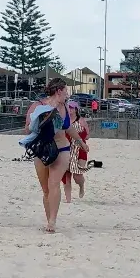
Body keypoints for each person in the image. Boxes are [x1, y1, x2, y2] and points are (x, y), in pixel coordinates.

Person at [25, 78, 88, 233]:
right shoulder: (38, 106)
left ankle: (53, 220)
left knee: (54, 183)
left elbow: (68, 128)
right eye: (66, 91)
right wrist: (41, 123)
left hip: (62, 148)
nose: (67, 94)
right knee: (46, 189)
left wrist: (80, 142)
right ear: (59, 90)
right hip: (42, 149)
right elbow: (27, 128)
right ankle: (49, 220)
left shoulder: (65, 108)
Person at [62, 101, 90, 203]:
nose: (70, 110)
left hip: (80, 150)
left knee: (77, 175)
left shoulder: (81, 121)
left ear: (76, 109)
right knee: (66, 175)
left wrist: (80, 139)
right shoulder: (64, 120)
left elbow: (87, 135)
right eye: (68, 108)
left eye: (72, 108)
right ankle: (68, 199)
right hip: (66, 150)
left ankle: (81, 185)